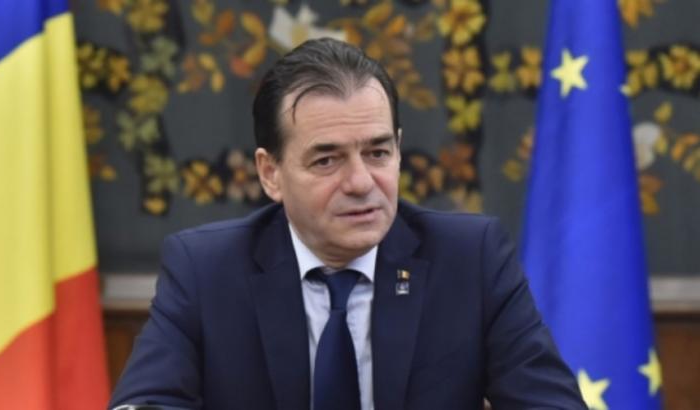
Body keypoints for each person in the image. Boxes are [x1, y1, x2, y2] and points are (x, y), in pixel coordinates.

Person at [109, 38, 586, 410]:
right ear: (270, 173)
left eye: (377, 152)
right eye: (327, 160)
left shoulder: (470, 258)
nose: (361, 183)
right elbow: (148, 400)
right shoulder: (206, 269)